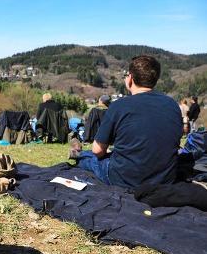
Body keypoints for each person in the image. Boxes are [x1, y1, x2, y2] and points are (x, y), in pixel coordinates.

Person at [70, 55, 182, 188]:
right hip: (164, 179)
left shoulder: (119, 105)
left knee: (91, 158)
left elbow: (98, 150)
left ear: (130, 78)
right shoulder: (172, 105)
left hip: (126, 179)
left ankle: (78, 155)